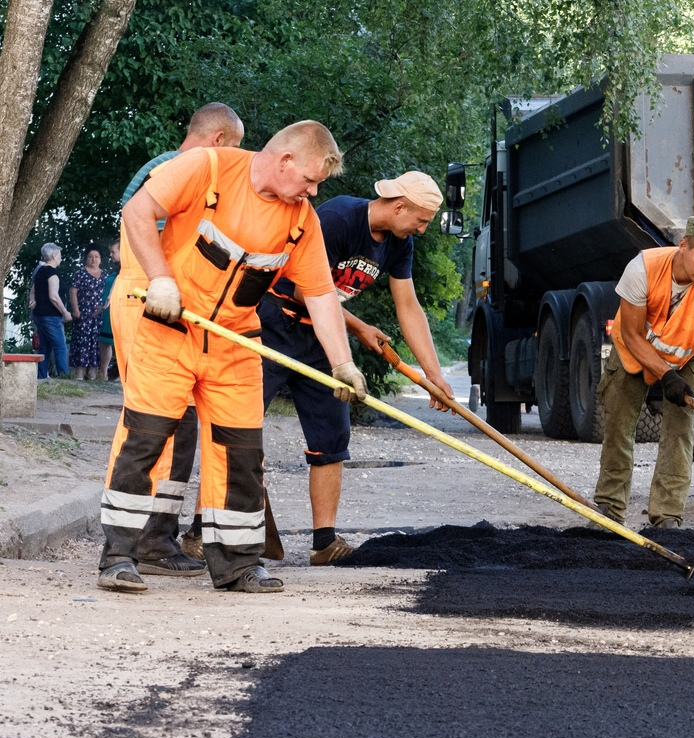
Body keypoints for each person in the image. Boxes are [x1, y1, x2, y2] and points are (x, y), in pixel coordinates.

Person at [97, 120, 366, 595]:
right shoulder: (207, 168)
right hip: (171, 331)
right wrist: (160, 278)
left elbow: (321, 295)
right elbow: (138, 211)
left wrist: (342, 364)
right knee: (146, 439)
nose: (312, 190)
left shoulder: (302, 219)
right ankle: (119, 556)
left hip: (235, 343)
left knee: (241, 453)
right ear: (285, 161)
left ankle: (239, 564)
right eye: (309, 179)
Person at [260, 171, 455, 565]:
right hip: (275, 324)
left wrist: (432, 374)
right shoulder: (338, 219)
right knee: (238, 426)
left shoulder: (401, 244)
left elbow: (408, 305)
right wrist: (360, 326)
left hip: (322, 338)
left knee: (332, 435)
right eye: (420, 220)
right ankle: (205, 531)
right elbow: (302, 287)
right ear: (399, 206)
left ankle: (324, 543)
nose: (421, 228)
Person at [110, 103, 245, 571]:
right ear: (220, 140)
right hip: (148, 299)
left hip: (162, 301)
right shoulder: (179, 170)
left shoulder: (165, 167)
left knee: (180, 426)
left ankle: (156, 538)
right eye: (236, 149)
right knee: (154, 425)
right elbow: (164, 240)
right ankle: (143, 543)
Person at [593, 216, 694, 529]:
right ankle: (609, 510)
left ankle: (667, 516)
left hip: (688, 355)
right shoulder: (643, 268)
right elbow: (633, 336)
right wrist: (665, 375)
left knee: (680, 431)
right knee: (618, 425)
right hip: (633, 352)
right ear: (683, 246)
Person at [29, 243, 72, 379]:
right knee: (60, 347)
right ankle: (64, 377)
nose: (60, 258)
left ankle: (41, 377)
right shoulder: (51, 273)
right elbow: (54, 296)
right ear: (54, 256)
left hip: (39, 315)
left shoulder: (40, 271)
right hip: (51, 316)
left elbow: (33, 291)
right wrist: (65, 312)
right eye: (59, 255)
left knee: (44, 349)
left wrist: (32, 301)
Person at [69, 244, 110, 380]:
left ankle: (92, 374)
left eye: (96, 257)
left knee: (96, 343)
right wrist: (75, 309)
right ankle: (79, 373)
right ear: (86, 258)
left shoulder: (105, 274)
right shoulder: (80, 272)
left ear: (101, 259)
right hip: (84, 312)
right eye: (90, 257)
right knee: (83, 341)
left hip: (100, 314)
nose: (94, 259)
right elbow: (73, 291)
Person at [98, 240, 120, 379]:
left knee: (119, 342)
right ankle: (103, 373)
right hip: (107, 311)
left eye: (113, 252)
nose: (110, 255)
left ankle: (119, 374)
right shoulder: (115, 271)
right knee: (104, 341)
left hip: (119, 310)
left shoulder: (128, 269)